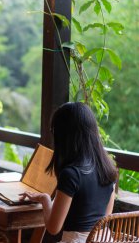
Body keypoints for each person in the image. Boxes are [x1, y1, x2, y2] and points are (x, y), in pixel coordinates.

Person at [19, 102, 118, 243]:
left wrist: (45, 199)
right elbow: (105, 218)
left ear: (64, 136)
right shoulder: (108, 169)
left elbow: (53, 228)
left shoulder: (71, 174)